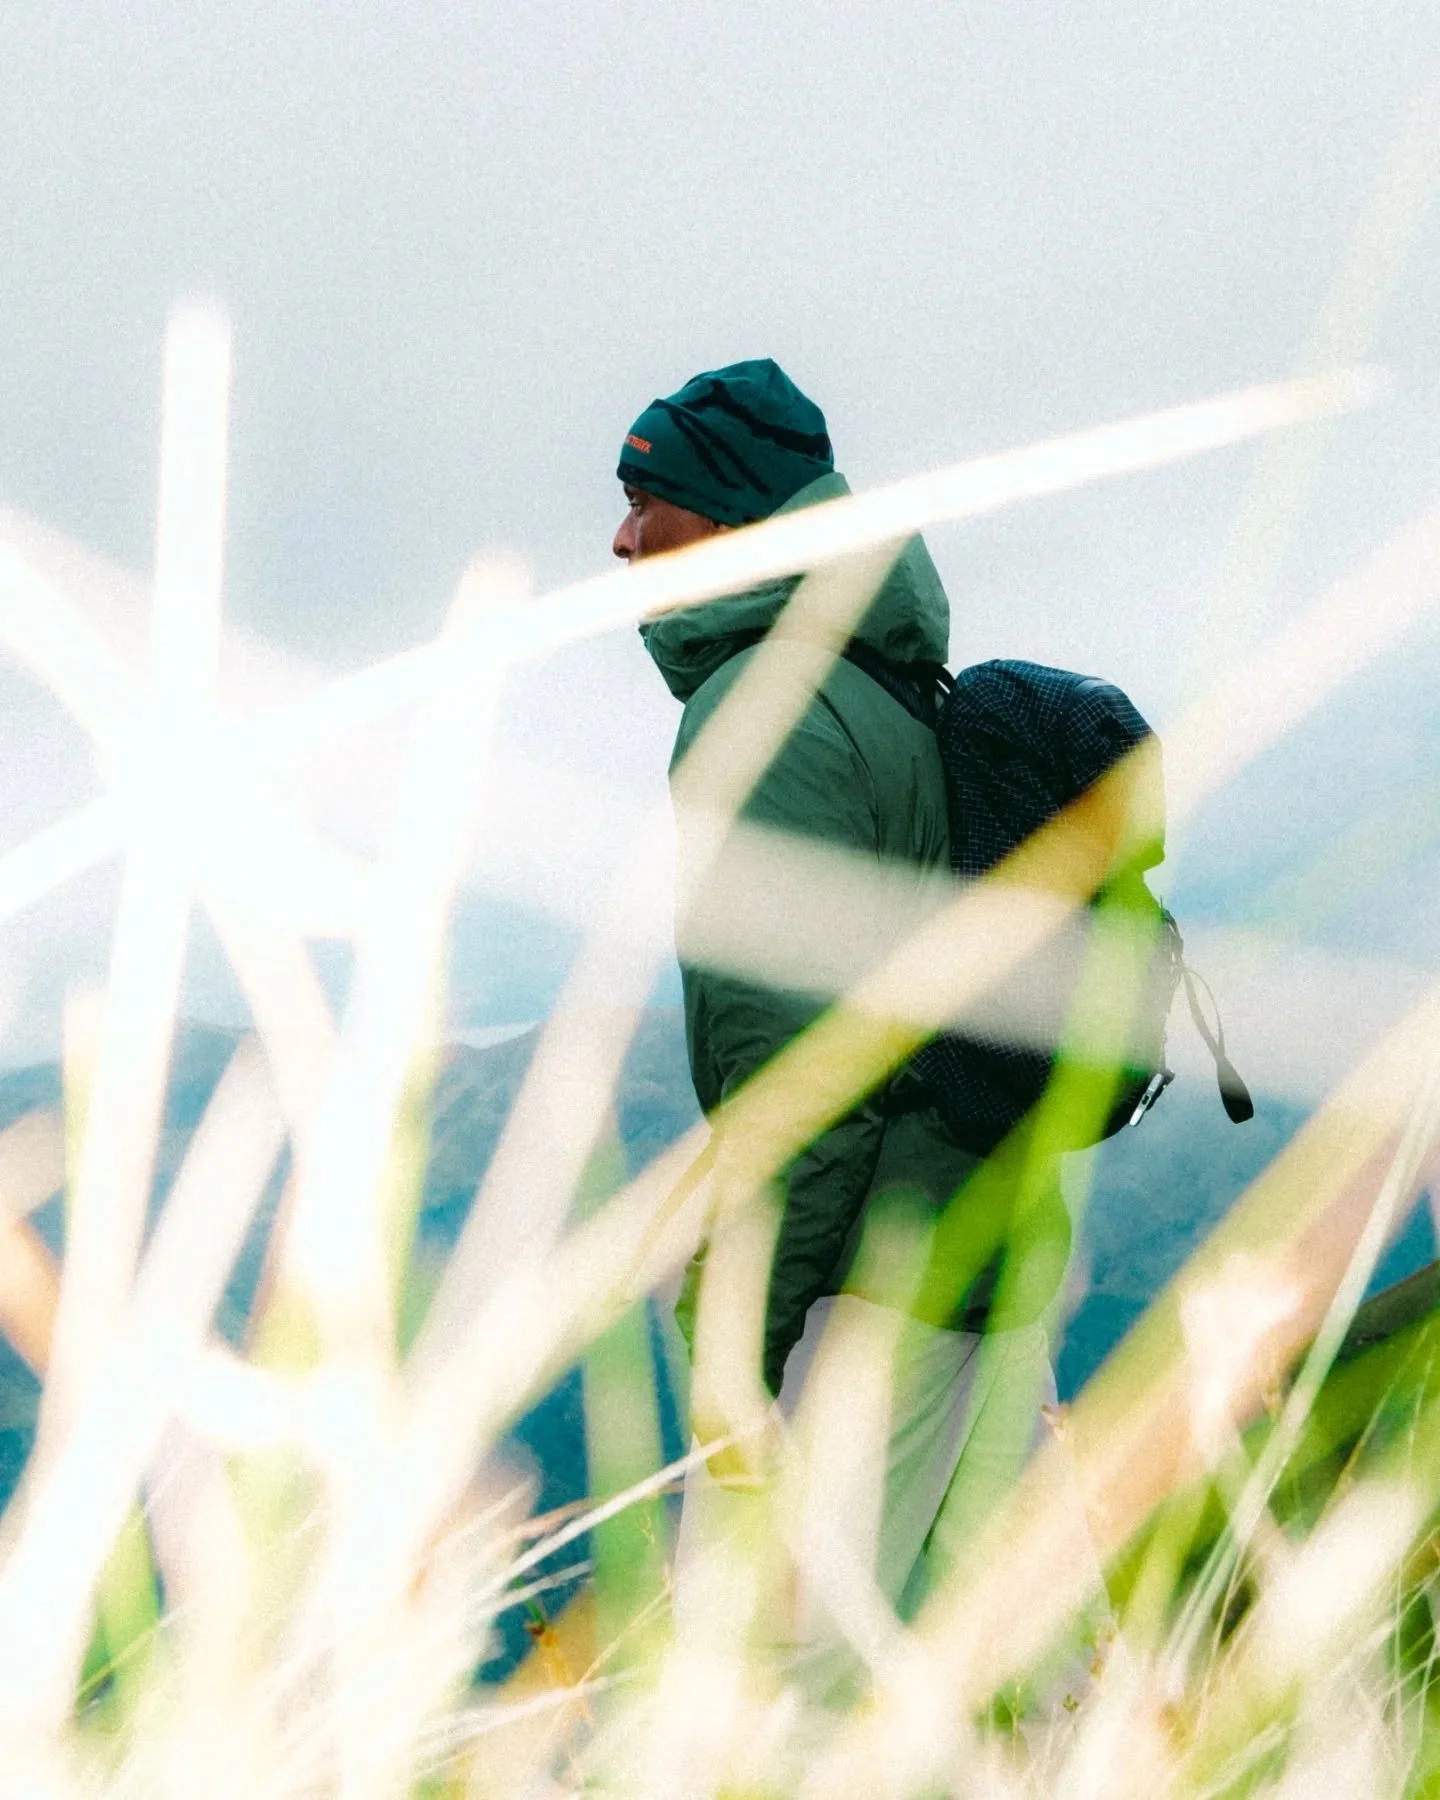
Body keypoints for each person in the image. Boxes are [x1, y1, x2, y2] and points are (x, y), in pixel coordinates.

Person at [613, 359, 1074, 1661]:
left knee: (760, 1691)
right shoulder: (884, 684)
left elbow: (802, 1069)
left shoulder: (768, 713)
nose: (623, 538)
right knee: (1008, 1682)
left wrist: (739, 1335)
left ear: (732, 521)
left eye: (648, 501)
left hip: (872, 1283)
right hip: (987, 1243)